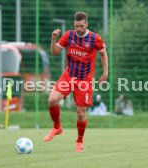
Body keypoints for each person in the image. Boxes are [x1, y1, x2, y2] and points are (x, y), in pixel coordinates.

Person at [43, 12, 108, 152]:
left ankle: (79, 141)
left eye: (81, 26)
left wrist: (105, 73)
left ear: (86, 24)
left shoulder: (94, 38)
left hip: (85, 80)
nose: (78, 28)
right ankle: (57, 127)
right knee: (52, 100)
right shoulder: (68, 35)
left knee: (81, 113)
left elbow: (103, 54)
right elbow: (55, 52)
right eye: (76, 25)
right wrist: (53, 39)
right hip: (68, 76)